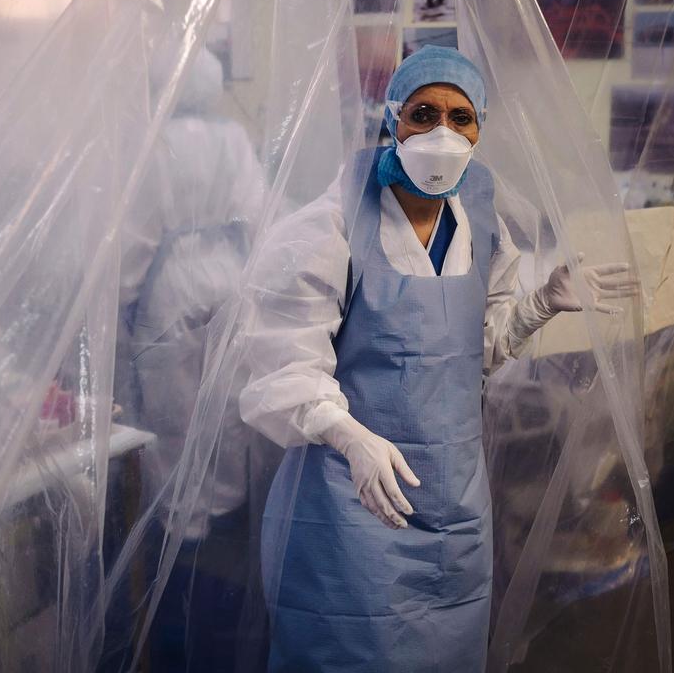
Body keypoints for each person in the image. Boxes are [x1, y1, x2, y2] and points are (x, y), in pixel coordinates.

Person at [239, 45, 635, 671]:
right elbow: (283, 370)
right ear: (393, 117)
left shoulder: (479, 220)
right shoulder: (330, 229)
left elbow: (470, 355)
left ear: (481, 127)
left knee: (448, 650)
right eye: (424, 113)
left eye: (461, 118)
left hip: (455, 504)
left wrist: (539, 304)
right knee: (353, 649)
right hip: (353, 503)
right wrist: (350, 438)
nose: (442, 133)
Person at [116, 46, 267, 671]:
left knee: (174, 432)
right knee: (226, 417)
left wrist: (118, 306)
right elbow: (262, 216)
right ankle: (226, 528)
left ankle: (186, 550)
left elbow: (133, 241)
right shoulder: (232, 137)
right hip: (229, 281)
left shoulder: (151, 145)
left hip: (170, 287)